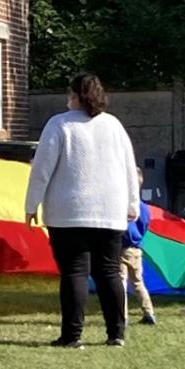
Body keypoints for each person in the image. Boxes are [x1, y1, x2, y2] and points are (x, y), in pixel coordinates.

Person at [25, 72, 141, 348]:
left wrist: (31, 205)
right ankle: (116, 333)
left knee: (74, 272)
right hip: (110, 211)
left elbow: (41, 171)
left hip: (68, 212)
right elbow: (129, 166)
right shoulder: (113, 125)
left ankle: (72, 335)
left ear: (75, 95)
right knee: (109, 271)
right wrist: (132, 203)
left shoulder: (59, 124)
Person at [121, 197, 158, 327]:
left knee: (121, 284)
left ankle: (122, 316)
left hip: (123, 249)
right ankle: (149, 312)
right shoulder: (144, 207)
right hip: (137, 249)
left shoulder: (124, 204)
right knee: (138, 282)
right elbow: (146, 224)